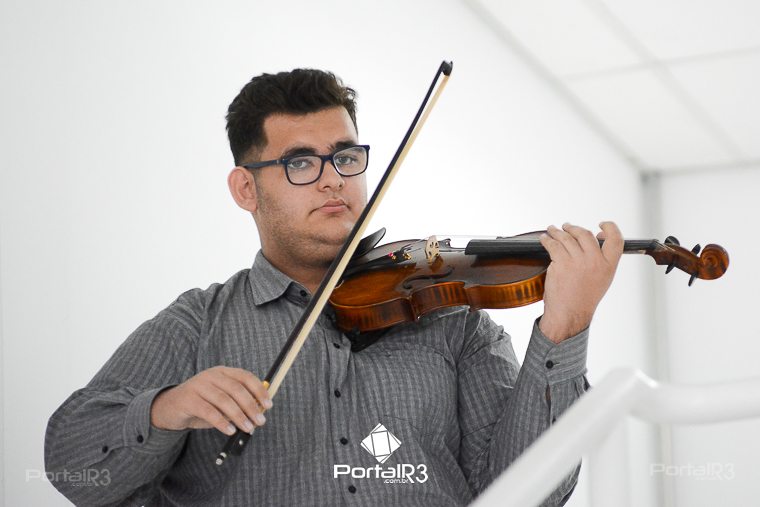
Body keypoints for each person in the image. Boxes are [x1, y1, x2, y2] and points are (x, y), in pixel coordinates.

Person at [45, 68, 623, 506]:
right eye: (300, 164)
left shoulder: (453, 318)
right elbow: (72, 465)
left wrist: (564, 327)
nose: (333, 181)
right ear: (246, 189)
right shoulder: (199, 324)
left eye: (345, 157)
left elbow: (530, 491)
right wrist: (165, 409)